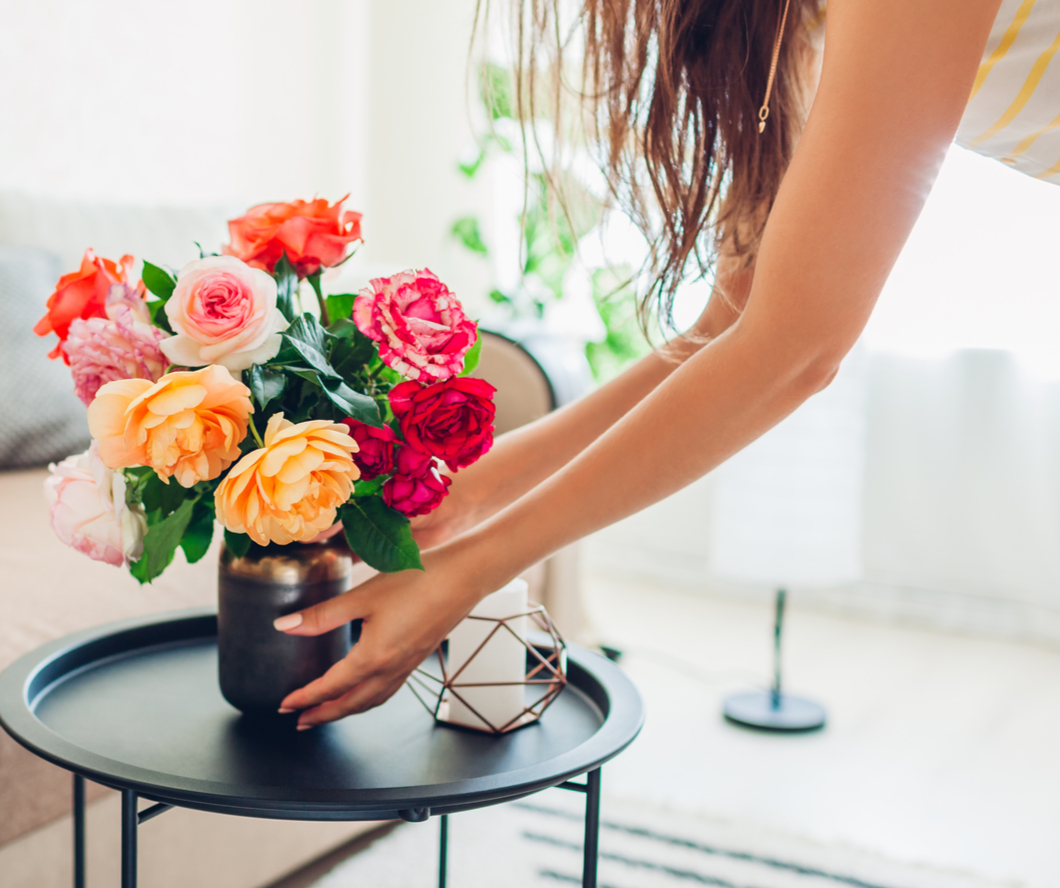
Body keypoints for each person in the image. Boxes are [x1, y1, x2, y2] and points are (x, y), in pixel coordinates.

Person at [276, 0, 1051, 728]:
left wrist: (467, 570)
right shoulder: (789, 19)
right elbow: (732, 322)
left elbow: (798, 350)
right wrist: (475, 492)